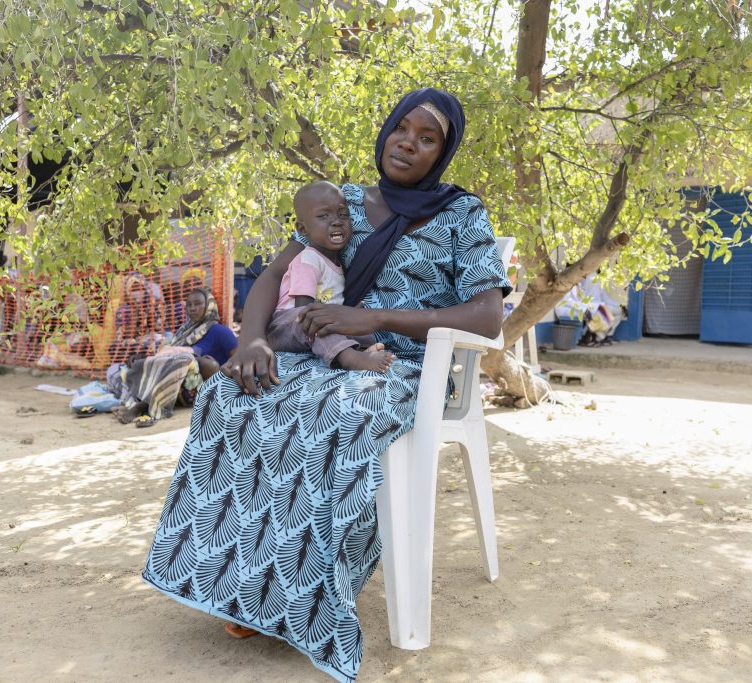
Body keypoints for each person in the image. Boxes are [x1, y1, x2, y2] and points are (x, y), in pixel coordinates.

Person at [141, 89, 511, 683]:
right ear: (386, 128)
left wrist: (376, 320)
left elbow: (487, 318)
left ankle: (299, 595)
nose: (407, 143)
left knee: (337, 413)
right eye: (402, 129)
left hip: (405, 363)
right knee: (231, 393)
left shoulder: (461, 215)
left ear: (443, 152)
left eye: (427, 138)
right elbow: (276, 273)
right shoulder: (342, 203)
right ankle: (238, 579)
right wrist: (253, 339)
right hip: (323, 351)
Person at [266, 180, 395, 372]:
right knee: (319, 320)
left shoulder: (335, 263)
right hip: (287, 326)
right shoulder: (308, 259)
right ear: (302, 229)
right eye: (323, 216)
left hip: (311, 325)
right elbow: (305, 311)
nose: (336, 221)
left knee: (360, 325)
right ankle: (350, 358)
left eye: (343, 215)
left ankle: (360, 349)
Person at [112, 287, 236, 426]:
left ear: (209, 306)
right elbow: (169, 355)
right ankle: (144, 401)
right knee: (119, 369)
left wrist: (224, 372)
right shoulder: (183, 332)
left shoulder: (220, 331)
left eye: (197, 304)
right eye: (189, 305)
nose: (192, 308)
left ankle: (140, 407)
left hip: (205, 389)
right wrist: (144, 358)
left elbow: (238, 358)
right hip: (178, 386)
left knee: (196, 361)